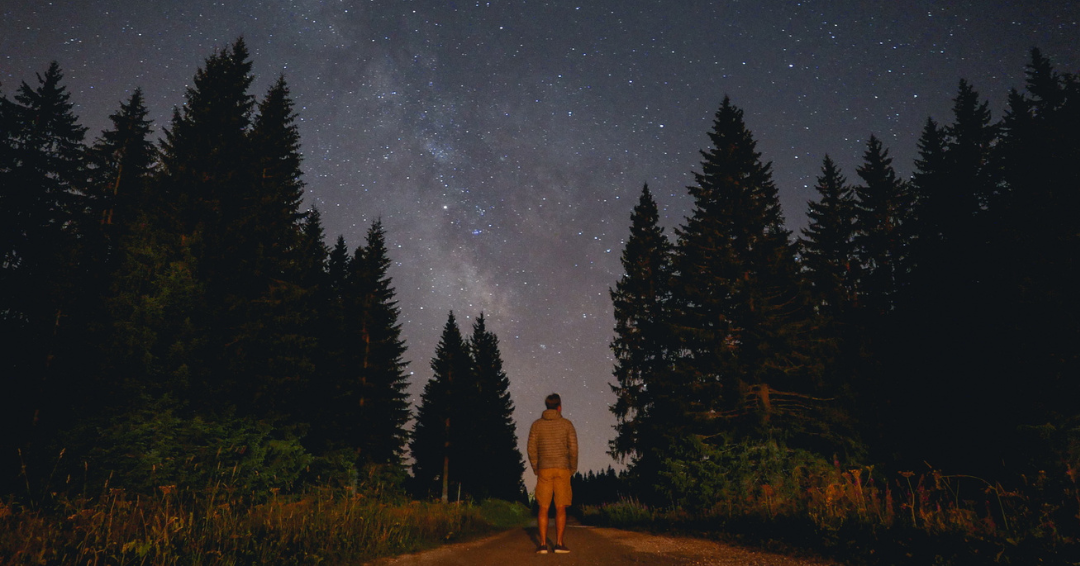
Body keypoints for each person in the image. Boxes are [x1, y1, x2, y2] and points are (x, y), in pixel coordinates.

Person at [527, 393, 578, 554]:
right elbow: (574, 449)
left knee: (543, 506)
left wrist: (536, 467)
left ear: (546, 406)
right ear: (559, 407)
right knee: (560, 507)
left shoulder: (536, 425)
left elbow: (531, 449)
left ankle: (542, 544)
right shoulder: (567, 424)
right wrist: (572, 468)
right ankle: (559, 544)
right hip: (563, 468)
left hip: (544, 469)